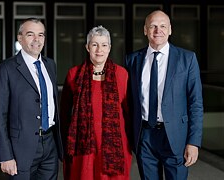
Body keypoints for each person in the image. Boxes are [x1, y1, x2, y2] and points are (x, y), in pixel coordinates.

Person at [125, 10, 203, 180]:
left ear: (170, 29)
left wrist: (194, 142)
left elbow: (195, 103)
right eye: (152, 26)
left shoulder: (187, 59)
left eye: (162, 26)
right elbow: (128, 102)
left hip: (176, 137)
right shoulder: (132, 60)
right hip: (144, 136)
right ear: (145, 30)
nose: (157, 30)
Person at [0, 18, 63, 180]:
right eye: (30, 34)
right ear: (20, 38)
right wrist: (5, 156)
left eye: (41, 35)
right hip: (21, 148)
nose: (37, 40)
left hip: (50, 144)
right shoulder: (6, 68)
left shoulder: (50, 65)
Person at [60, 25, 132, 180]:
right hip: (84, 149)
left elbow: (130, 113)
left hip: (114, 149)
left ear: (110, 48)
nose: (99, 49)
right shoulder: (74, 75)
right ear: (87, 47)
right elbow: (64, 113)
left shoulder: (122, 75)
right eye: (94, 44)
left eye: (104, 45)